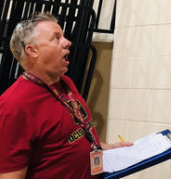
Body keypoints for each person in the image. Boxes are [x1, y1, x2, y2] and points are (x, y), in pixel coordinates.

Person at [0, 12, 131, 179]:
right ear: (32, 50)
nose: (68, 42)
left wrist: (103, 147)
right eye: (56, 38)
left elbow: (64, 142)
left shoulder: (65, 83)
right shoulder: (14, 106)